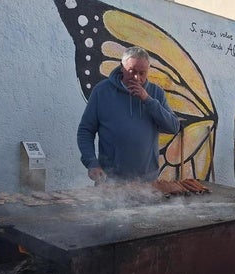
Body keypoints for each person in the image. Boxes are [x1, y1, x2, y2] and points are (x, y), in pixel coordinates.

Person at [77, 46, 180, 183]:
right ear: (122, 68)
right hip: (110, 179)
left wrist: (147, 100)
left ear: (148, 70)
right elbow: (85, 131)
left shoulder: (156, 93)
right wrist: (91, 162)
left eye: (142, 73)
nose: (137, 78)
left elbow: (173, 127)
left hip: (147, 180)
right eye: (131, 72)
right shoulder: (102, 91)